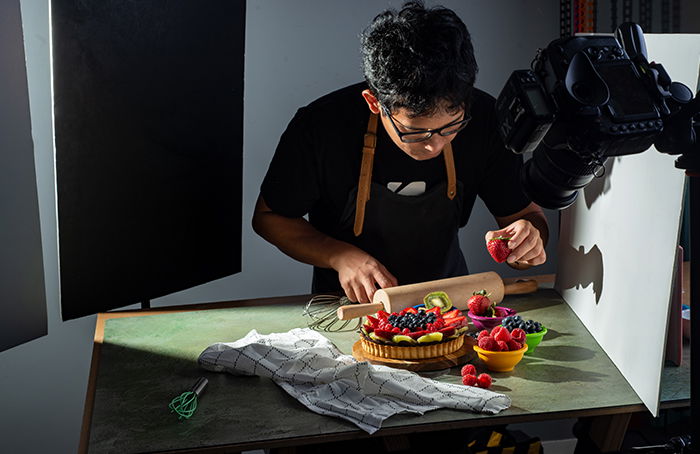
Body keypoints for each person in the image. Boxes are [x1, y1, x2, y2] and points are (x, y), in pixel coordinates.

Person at [253, 1, 548, 304]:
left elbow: (526, 216)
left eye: (451, 128)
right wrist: (338, 255)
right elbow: (268, 217)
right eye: (415, 132)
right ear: (374, 102)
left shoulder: (487, 119)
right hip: (348, 309)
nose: (434, 145)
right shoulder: (321, 127)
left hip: (447, 308)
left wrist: (527, 243)